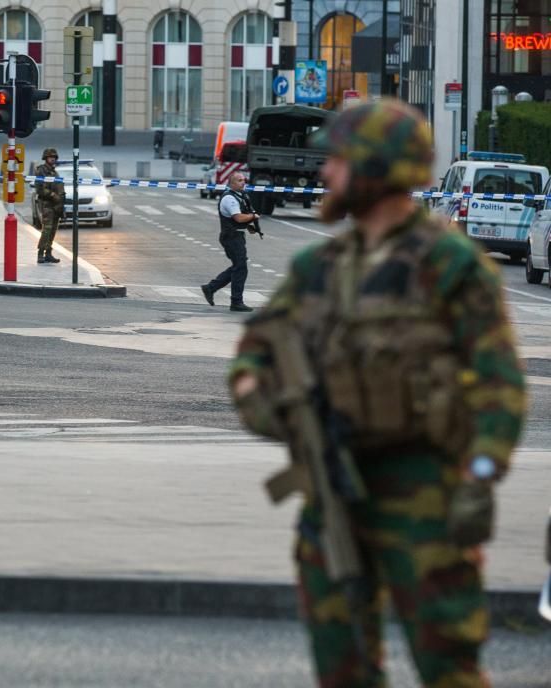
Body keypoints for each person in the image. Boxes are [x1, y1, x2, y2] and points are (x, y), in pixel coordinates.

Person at [228, 98, 525, 688]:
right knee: (342, 668)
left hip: (426, 496)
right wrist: (283, 414)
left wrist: (481, 474)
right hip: (334, 488)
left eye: (336, 160)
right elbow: (255, 355)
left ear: (374, 167)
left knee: (449, 665)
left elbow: (499, 383)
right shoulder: (321, 264)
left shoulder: (449, 263)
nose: (324, 173)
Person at [201, 170, 259, 312]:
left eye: (243, 180)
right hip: (231, 237)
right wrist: (253, 216)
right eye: (239, 180)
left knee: (238, 266)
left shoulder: (240, 195)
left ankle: (211, 288)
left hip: (237, 235)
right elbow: (238, 217)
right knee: (240, 268)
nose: (243, 182)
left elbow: (241, 218)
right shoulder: (229, 198)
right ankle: (236, 302)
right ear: (231, 183)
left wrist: (249, 225)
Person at [34, 148, 65, 264]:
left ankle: (48, 253)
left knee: (53, 230)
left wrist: (60, 201)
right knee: (47, 229)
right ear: (45, 158)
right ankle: (40, 253)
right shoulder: (41, 171)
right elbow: (40, 189)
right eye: (50, 157)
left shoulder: (55, 172)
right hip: (47, 203)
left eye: (54, 157)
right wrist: (52, 195)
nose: (53, 159)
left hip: (56, 205)